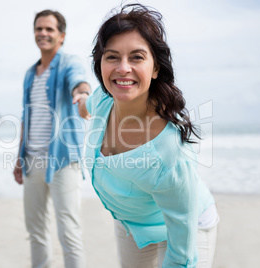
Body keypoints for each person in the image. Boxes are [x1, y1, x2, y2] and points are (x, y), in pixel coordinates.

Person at [75, 3, 219, 268]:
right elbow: (86, 106)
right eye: (112, 57)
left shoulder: (168, 151)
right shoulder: (104, 101)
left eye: (137, 57)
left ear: (155, 68)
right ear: (100, 64)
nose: (123, 68)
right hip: (131, 222)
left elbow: (183, 253)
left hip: (186, 226)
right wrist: (80, 95)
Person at [13, 9, 91, 268]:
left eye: (49, 29)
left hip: (63, 161)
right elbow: (28, 117)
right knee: (36, 232)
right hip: (32, 162)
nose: (43, 33)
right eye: (39, 29)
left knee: (69, 232)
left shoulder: (69, 62)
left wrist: (82, 95)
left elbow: (79, 81)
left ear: (61, 36)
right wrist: (18, 158)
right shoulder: (29, 73)